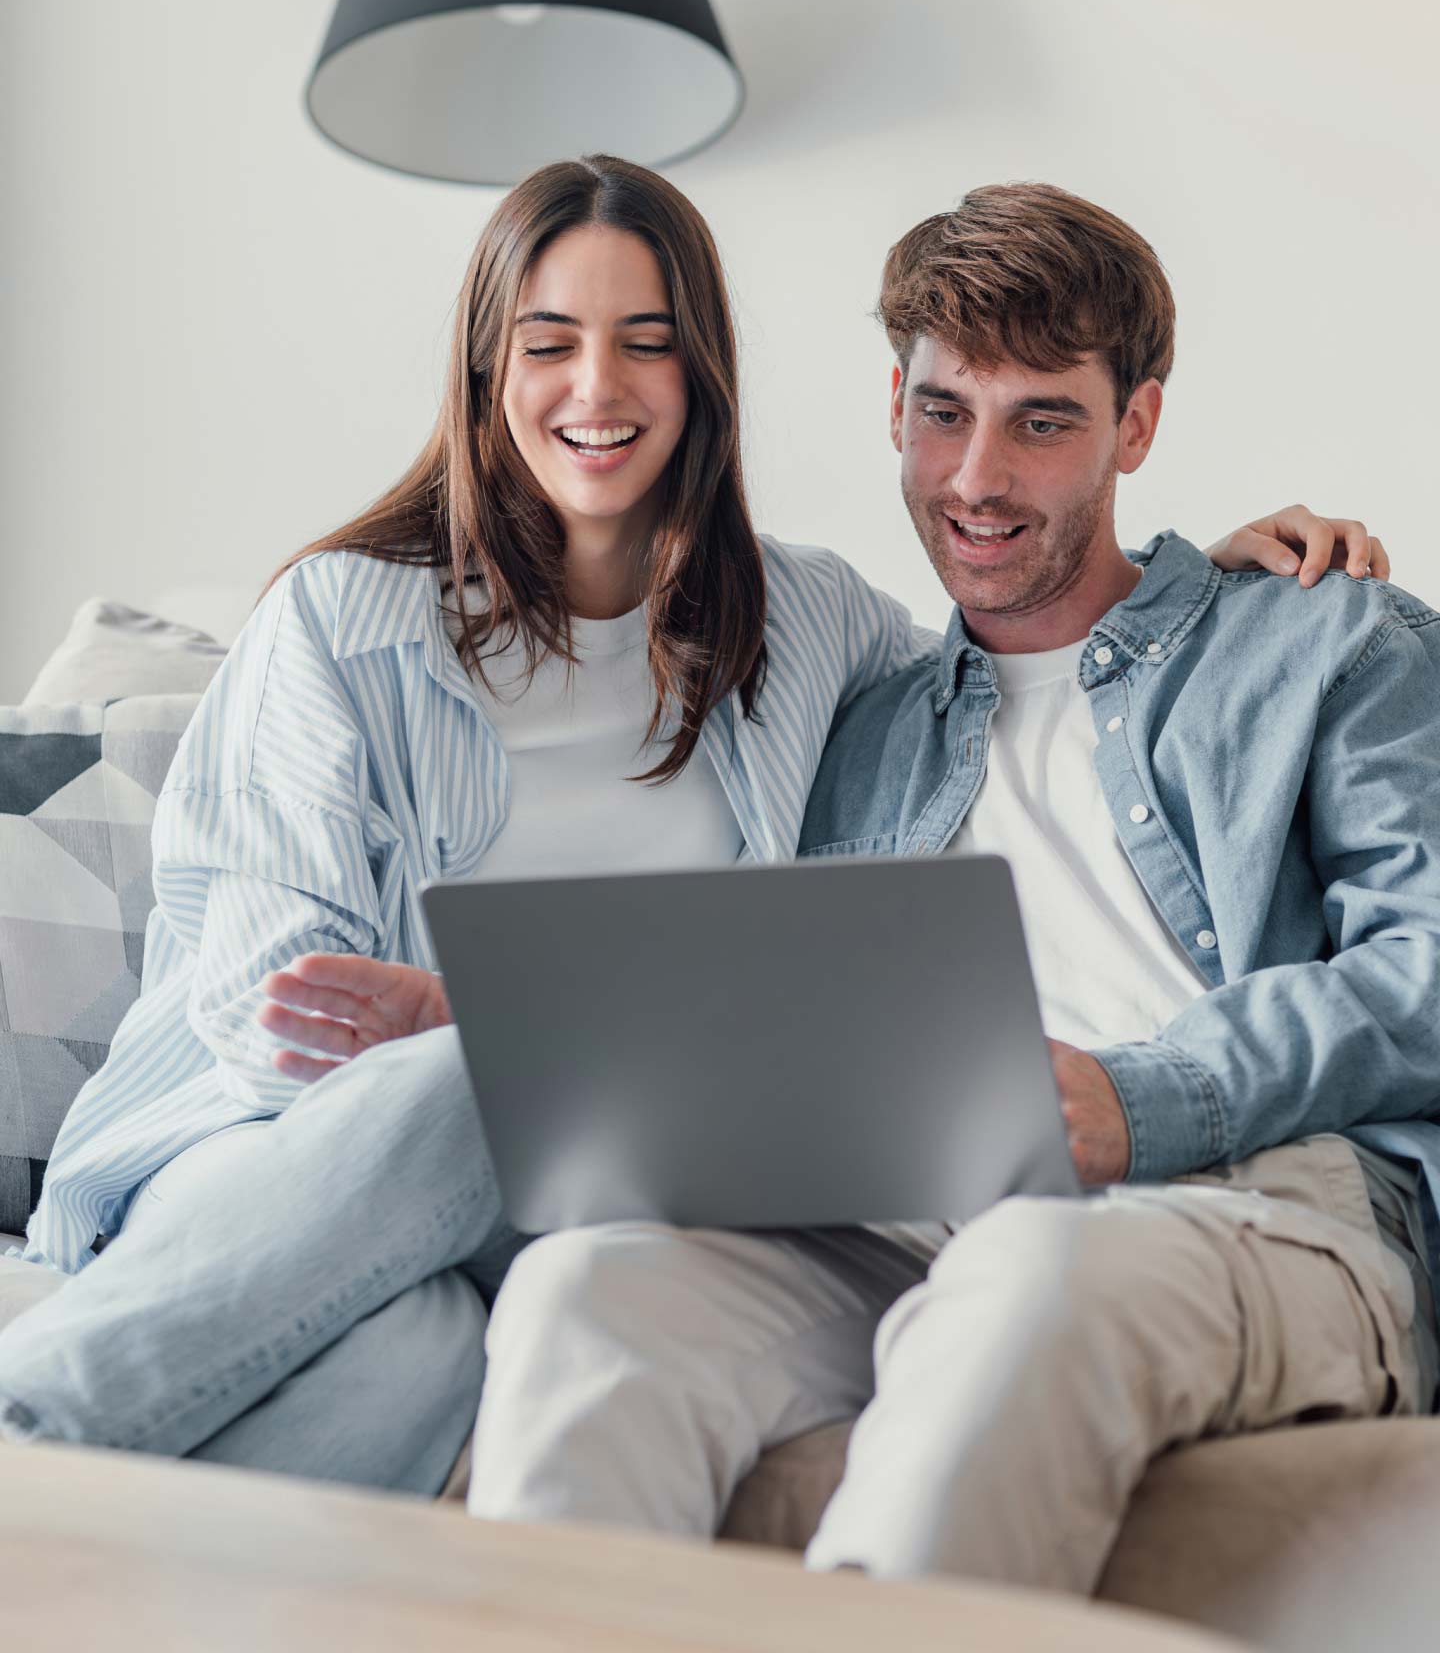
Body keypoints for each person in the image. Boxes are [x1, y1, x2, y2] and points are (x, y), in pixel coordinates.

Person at [0, 158, 1378, 1498]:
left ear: (700, 376)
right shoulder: (340, 621)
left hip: (587, 1213)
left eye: (645, 345)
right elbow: (271, 1020)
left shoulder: (811, 626)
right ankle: (35, 1417)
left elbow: (1019, 653)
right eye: (550, 344)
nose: (597, 389)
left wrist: (1205, 589)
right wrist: (495, 1037)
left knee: (418, 1371)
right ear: (492, 372)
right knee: (476, 1080)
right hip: (278, 1181)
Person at [454, 181, 1440, 1592]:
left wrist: (1139, 1099)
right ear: (895, 404)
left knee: (1028, 1277)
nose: (976, 475)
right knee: (584, 1289)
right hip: (908, 1213)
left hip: (1254, 1205)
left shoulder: (1325, 643)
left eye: (1042, 421)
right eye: (942, 412)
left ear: (1136, 425)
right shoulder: (867, 720)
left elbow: (1426, 972)